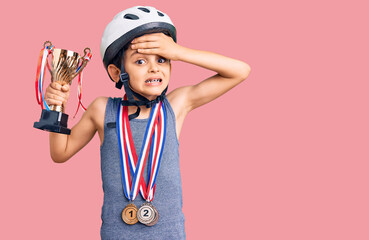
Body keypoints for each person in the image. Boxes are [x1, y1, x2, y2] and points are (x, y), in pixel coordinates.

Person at [45, 6, 250, 240]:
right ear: (116, 72)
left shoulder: (176, 105)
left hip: (169, 233)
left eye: (162, 59)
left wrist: (179, 51)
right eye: (140, 61)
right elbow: (60, 153)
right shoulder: (102, 109)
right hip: (117, 233)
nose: (154, 67)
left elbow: (240, 71)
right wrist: (55, 107)